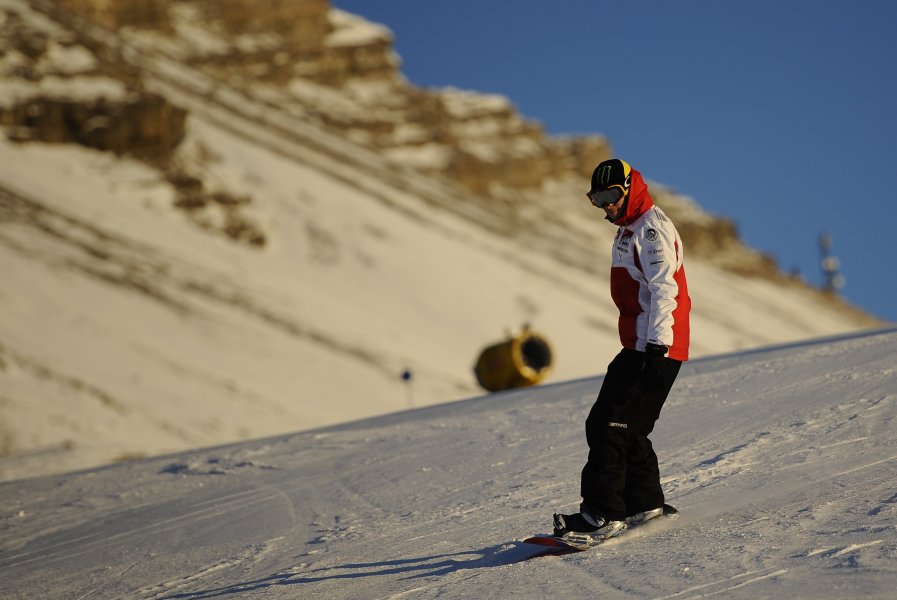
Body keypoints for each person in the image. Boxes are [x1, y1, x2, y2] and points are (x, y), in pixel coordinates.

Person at [554, 158, 691, 540]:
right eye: (597, 199)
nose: (607, 205)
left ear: (630, 188)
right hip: (642, 344)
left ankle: (602, 513)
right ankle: (644, 504)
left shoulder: (650, 230)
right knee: (629, 428)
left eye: (612, 195)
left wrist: (656, 349)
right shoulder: (630, 228)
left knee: (608, 424)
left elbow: (666, 290)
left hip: (652, 346)